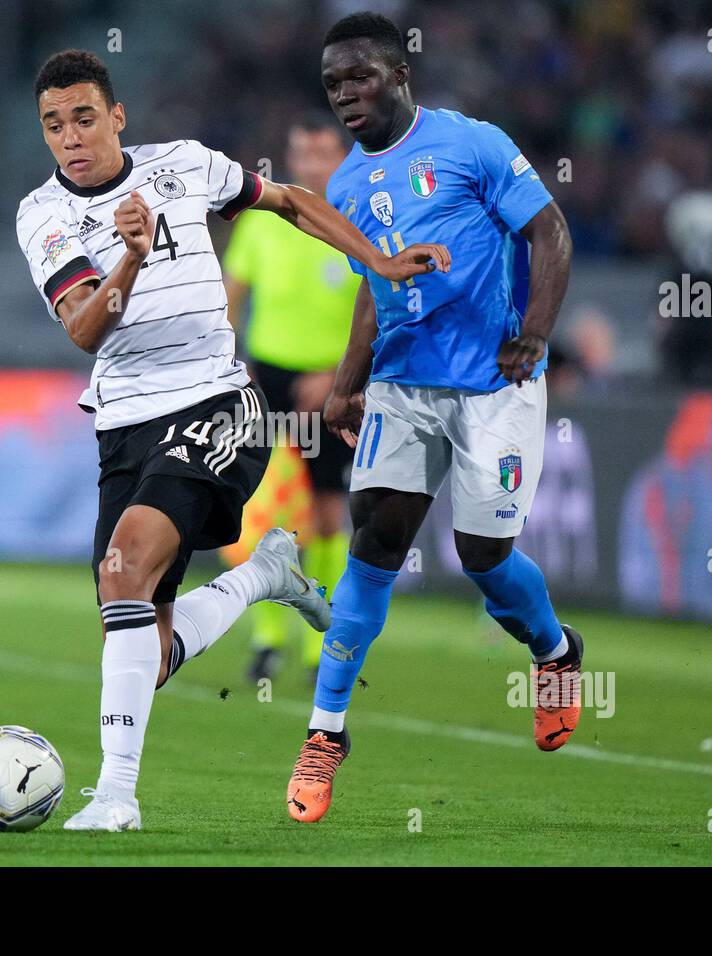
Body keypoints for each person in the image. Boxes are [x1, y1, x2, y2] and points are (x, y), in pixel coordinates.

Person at [15, 49, 448, 831]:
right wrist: (133, 259)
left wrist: (377, 260)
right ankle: (260, 578)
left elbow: (288, 202)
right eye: (54, 125)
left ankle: (115, 797)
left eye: (84, 117)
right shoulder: (40, 214)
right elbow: (84, 328)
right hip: (122, 427)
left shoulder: (183, 165)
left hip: (216, 403)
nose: (71, 137)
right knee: (143, 649)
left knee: (123, 573)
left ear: (116, 117)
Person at [283, 12, 581, 824]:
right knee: (374, 542)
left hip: (494, 383)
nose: (346, 95)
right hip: (403, 386)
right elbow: (373, 289)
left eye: (360, 78)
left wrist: (536, 333)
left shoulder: (472, 143)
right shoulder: (344, 186)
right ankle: (325, 731)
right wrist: (347, 385)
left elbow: (550, 232)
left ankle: (555, 651)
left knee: (484, 557)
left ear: (399, 74)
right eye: (334, 84)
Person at [223, 116, 360, 684]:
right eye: (302, 153)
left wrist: (335, 374)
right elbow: (230, 296)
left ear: (343, 156)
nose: (310, 164)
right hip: (268, 379)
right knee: (268, 510)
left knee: (328, 515)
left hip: (335, 386)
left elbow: (380, 306)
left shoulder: (357, 219)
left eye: (322, 153)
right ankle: (267, 639)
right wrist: (235, 368)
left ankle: (317, 643)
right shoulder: (263, 219)